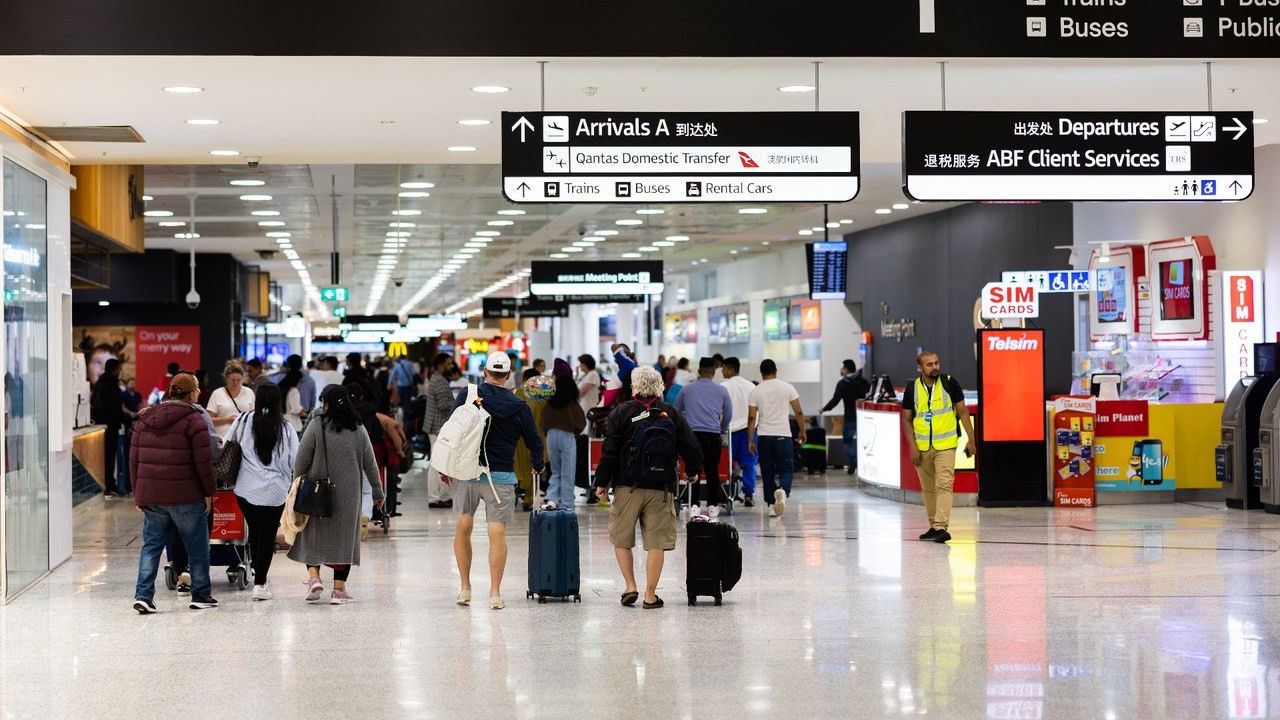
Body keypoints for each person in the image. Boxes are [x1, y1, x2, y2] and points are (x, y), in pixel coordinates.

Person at [593, 366, 701, 609]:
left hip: (627, 486)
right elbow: (691, 445)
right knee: (656, 543)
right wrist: (693, 471)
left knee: (622, 538)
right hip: (661, 488)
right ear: (660, 387)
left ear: (635, 387)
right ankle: (650, 595)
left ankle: (630, 586)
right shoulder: (669, 412)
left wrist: (602, 482)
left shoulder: (621, 412)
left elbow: (609, 450)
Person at [448, 351, 544, 610]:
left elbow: (451, 430)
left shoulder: (468, 394)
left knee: (463, 526)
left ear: (485, 372)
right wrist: (537, 464)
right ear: (509, 374)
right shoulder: (518, 405)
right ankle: (494, 593)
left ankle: (465, 588)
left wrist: (446, 466)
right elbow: (533, 440)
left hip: (467, 470)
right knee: (497, 532)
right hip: (501, 474)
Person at [130, 372, 217, 613]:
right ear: (190, 394)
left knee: (152, 546)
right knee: (197, 546)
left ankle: (143, 596)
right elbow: (204, 462)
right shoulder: (195, 420)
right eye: (197, 389)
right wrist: (209, 492)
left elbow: (134, 460)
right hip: (186, 495)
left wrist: (138, 492)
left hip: (154, 496)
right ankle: (200, 594)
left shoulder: (144, 419)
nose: (199, 392)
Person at [289, 385, 384, 604]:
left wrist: (296, 483)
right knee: (344, 540)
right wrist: (378, 492)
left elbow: (301, 460)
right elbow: (370, 464)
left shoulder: (316, 425)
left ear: (327, 403)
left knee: (311, 537)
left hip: (316, 493)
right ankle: (339, 591)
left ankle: (314, 579)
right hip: (349, 495)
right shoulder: (358, 428)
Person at [225, 383, 298, 601]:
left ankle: (257, 568)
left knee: (255, 531)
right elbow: (295, 460)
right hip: (275, 491)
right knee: (266, 535)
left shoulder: (244, 420)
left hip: (246, 489)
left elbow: (227, 443)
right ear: (278, 402)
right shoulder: (286, 429)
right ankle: (260, 583)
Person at [900, 351, 976, 545]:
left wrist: (971, 440)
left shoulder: (950, 383)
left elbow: (963, 412)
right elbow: (907, 420)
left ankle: (942, 527)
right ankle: (934, 526)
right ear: (920, 368)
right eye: (929, 364)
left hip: (946, 445)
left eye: (936, 363)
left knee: (944, 484)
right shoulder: (912, 388)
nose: (935, 367)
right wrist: (913, 447)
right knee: (928, 489)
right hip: (923, 446)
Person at [747, 359, 808, 518]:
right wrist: (802, 431)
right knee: (786, 468)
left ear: (761, 373)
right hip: (783, 435)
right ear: (776, 370)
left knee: (767, 472)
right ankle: (783, 491)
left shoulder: (756, 391)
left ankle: (771, 506)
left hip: (764, 436)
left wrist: (750, 440)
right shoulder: (787, 387)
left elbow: (752, 417)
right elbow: (799, 412)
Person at [675, 357, 734, 515]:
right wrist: (721, 428)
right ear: (714, 373)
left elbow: (676, 411)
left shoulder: (686, 389)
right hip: (713, 435)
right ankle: (713, 506)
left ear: (699, 371)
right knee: (712, 471)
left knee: (693, 470)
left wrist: (684, 429)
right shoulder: (722, 390)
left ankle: (693, 505)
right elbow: (728, 414)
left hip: (692, 436)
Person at [540, 359, 586, 509]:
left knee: (555, 471)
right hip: (567, 436)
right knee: (568, 472)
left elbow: (543, 420)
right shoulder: (571, 402)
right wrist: (576, 431)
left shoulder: (550, 399)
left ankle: (552, 499)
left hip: (551, 435)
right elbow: (581, 422)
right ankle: (566, 503)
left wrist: (547, 432)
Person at [719, 358, 758, 507]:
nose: (722, 371)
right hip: (748, 431)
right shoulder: (751, 386)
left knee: (725, 464)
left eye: (723, 368)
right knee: (748, 464)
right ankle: (748, 494)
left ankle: (726, 493)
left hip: (728, 432)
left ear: (729, 369)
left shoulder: (723, 387)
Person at [822, 359, 872, 475]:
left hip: (849, 418)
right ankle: (865, 463)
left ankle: (853, 462)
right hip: (863, 417)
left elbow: (835, 401)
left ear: (846, 369)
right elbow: (871, 394)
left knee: (847, 441)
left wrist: (824, 409)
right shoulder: (863, 381)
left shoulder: (842, 384)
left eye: (843, 368)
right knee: (865, 442)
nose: (841, 370)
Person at [423, 352, 459, 509]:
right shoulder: (439, 381)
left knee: (441, 462)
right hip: (438, 426)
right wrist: (460, 404)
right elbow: (444, 404)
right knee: (436, 464)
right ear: (440, 365)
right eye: (448, 363)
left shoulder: (439, 379)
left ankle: (443, 495)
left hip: (437, 426)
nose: (451, 366)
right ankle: (434, 497)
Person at [514, 368, 549, 511]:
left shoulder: (519, 393)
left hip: (520, 438)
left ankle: (516, 494)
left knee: (519, 467)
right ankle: (529, 499)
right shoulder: (543, 395)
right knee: (534, 466)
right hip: (537, 436)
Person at [91, 358, 127, 498]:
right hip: (110, 425)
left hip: (102, 424)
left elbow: (94, 402)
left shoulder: (100, 382)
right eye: (119, 369)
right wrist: (126, 420)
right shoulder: (111, 384)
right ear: (114, 369)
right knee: (109, 457)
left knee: (106, 456)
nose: (120, 372)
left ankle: (108, 485)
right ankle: (109, 486)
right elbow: (114, 407)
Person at [206, 362, 255, 439]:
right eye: (233, 380)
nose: (235, 383)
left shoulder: (249, 392)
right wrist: (227, 420)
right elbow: (209, 420)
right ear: (226, 379)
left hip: (244, 440)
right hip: (222, 439)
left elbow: (254, 416)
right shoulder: (217, 393)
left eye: (238, 380)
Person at [118, 377, 144, 495]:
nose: (133, 384)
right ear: (127, 384)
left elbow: (140, 406)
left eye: (134, 382)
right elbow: (122, 408)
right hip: (126, 424)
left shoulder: (138, 394)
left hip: (137, 424)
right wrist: (131, 414)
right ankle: (128, 486)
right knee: (127, 456)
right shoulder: (123, 395)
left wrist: (139, 414)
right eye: (131, 382)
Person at [273, 357, 308, 433]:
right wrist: (305, 413)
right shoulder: (293, 390)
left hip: (281, 423)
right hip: (293, 425)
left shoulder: (280, 388)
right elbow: (296, 409)